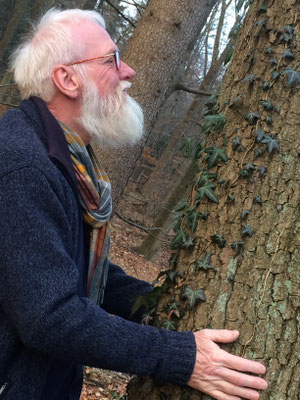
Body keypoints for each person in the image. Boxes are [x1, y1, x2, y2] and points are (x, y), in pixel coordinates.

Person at [0, 8, 268, 400]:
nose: (129, 72)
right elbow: (50, 317)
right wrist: (181, 357)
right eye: (111, 60)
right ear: (67, 79)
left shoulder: (66, 157)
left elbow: (71, 266)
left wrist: (158, 306)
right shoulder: (21, 164)